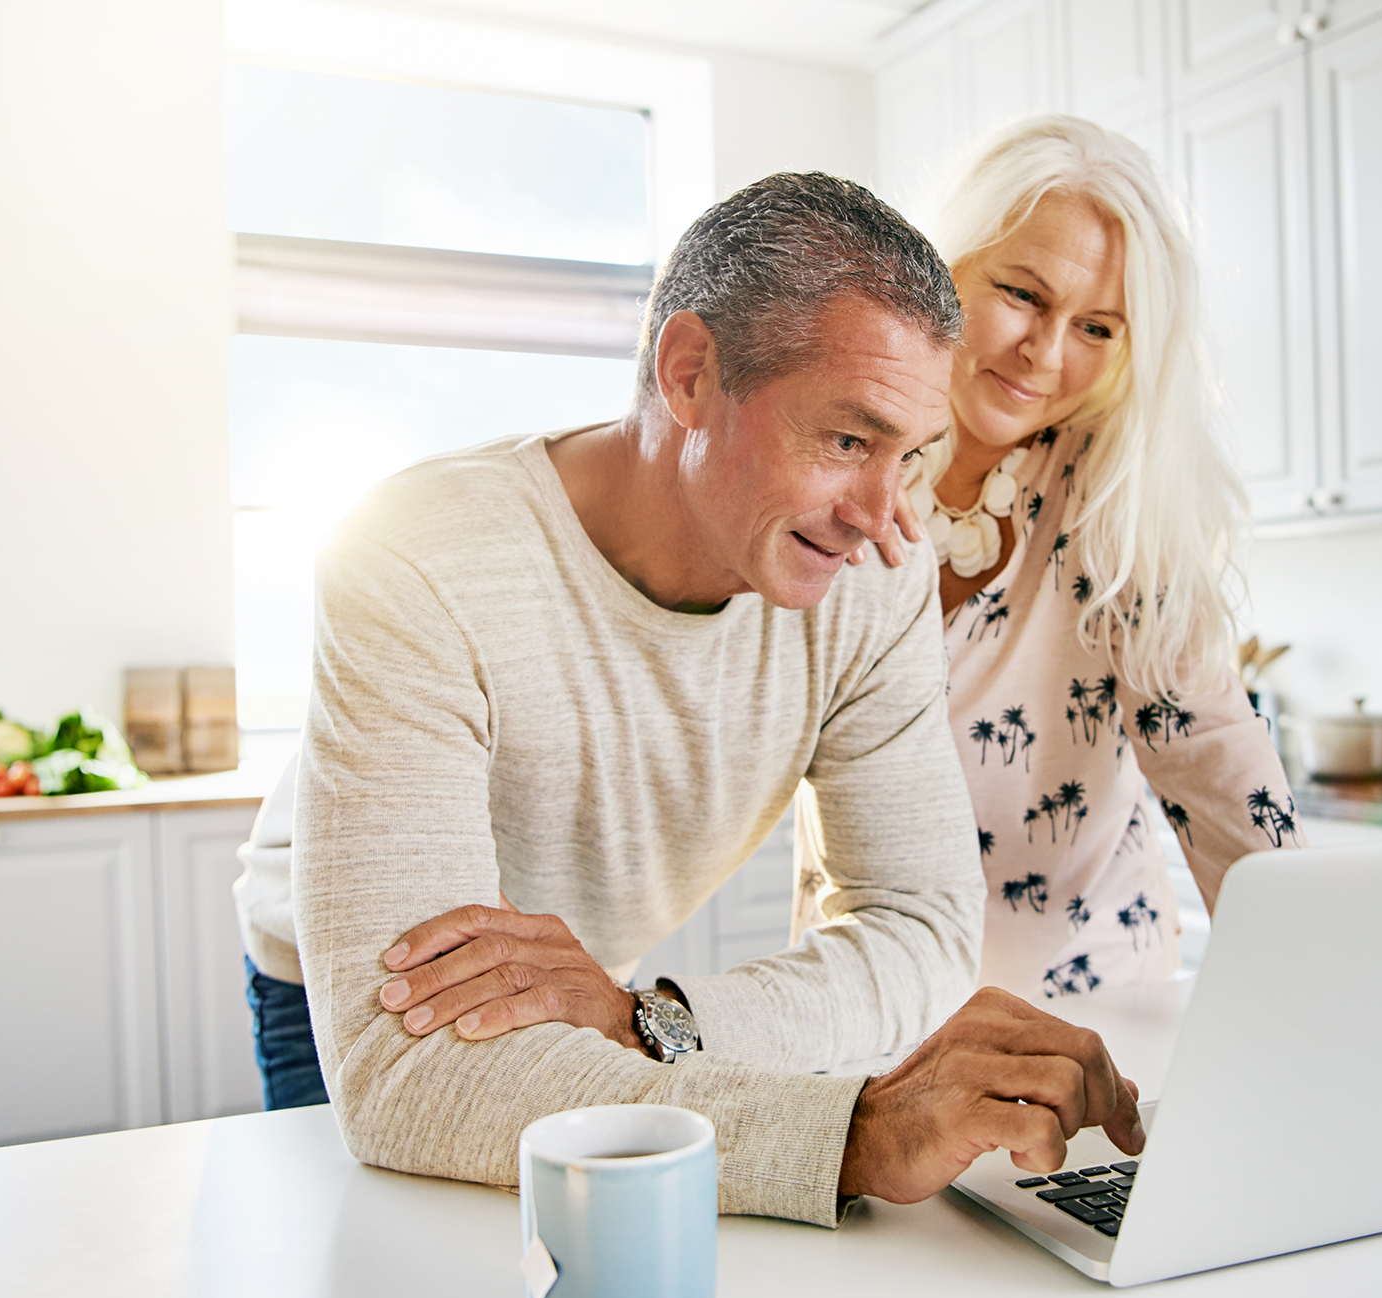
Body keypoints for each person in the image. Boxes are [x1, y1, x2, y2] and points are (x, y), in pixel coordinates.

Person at [238, 172, 1143, 1228]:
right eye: (847, 441)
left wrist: (649, 1020)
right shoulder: (420, 551)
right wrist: (854, 1133)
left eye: (910, 455)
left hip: (598, 989)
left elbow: (923, 930)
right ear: (688, 373)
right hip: (349, 996)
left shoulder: (873, 576)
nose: (880, 516)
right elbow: (411, 1082)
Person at [828, 116, 1305, 1000]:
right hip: (870, 1002)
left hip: (1096, 1007)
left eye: (1097, 327)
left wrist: (1320, 964)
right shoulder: (837, 472)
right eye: (1022, 295)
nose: (1044, 354)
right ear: (945, 264)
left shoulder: (1112, 488)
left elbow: (1206, 740)